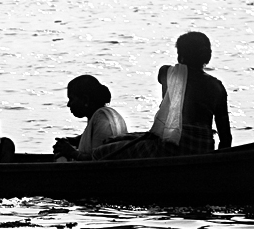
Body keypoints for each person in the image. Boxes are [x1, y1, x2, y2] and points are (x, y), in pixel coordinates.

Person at [99, 32, 232, 159]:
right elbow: (226, 138)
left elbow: (163, 74)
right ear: (207, 57)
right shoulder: (217, 87)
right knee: (125, 139)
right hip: (202, 147)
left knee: (107, 148)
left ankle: (87, 156)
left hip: (171, 146)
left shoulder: (167, 73)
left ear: (181, 56)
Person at [52, 75, 129, 161]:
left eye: (71, 99)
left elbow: (98, 160)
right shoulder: (102, 116)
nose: (68, 104)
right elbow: (95, 138)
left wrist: (72, 152)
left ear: (85, 99)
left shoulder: (102, 119)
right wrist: (73, 141)